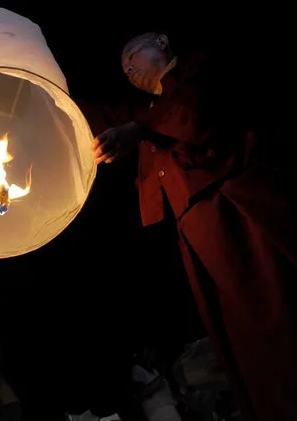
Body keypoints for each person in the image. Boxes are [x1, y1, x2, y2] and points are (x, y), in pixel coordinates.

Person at [91, 32, 297, 421]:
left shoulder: (198, 70)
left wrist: (139, 129)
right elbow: (116, 116)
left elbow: (195, 114)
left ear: (162, 41)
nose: (130, 69)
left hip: (234, 202)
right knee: (238, 333)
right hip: (195, 223)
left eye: (132, 56)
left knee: (270, 309)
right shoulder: (152, 109)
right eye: (124, 69)